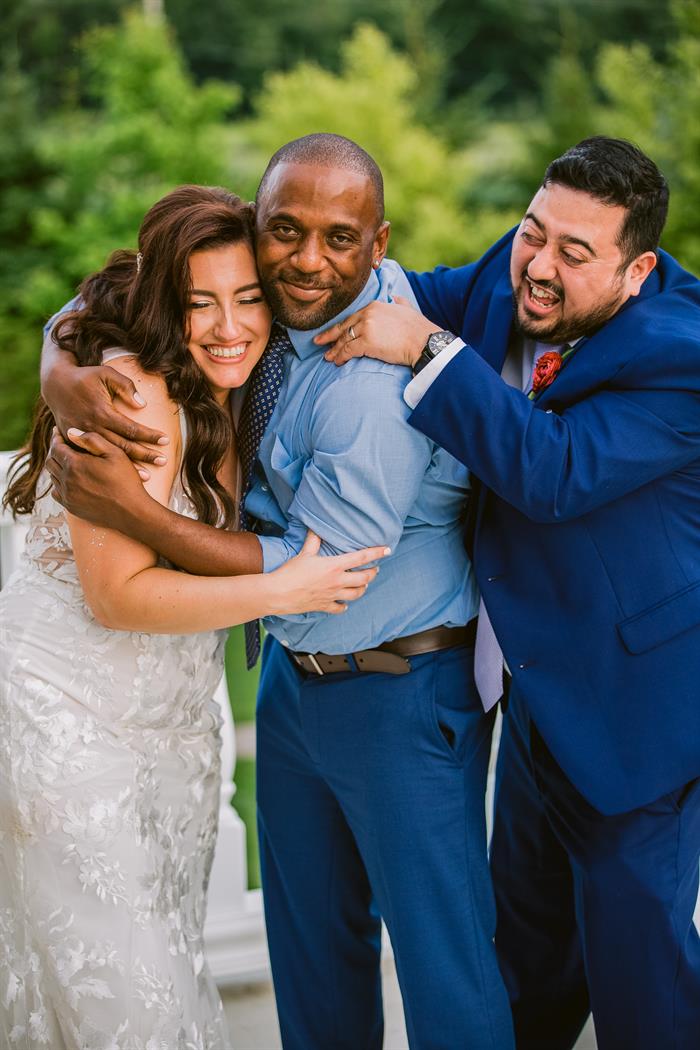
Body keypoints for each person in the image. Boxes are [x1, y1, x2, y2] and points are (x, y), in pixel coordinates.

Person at [41, 135, 515, 1050]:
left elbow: (313, 568)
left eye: (338, 238)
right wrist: (58, 368)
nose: (307, 259)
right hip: (295, 681)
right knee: (309, 960)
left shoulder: (372, 390)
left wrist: (131, 511)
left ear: (379, 246)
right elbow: (105, 296)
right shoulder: (259, 315)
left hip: (399, 693)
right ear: (256, 228)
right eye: (284, 231)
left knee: (442, 968)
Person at [317, 136, 700, 1050]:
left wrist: (426, 349)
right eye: (535, 231)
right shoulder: (517, 264)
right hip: (529, 687)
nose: (539, 264)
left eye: (575, 253)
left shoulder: (683, 356)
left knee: (640, 971)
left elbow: (553, 471)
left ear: (637, 268)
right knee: (526, 957)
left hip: (636, 707)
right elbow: (402, 289)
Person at [0, 183, 386, 1050]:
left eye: (249, 298)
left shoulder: (243, 377)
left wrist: (55, 353)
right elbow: (118, 595)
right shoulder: (130, 396)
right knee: (131, 1004)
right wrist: (285, 588)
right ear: (165, 307)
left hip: (168, 731)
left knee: (155, 967)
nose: (229, 326)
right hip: (67, 721)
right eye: (199, 302)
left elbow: (77, 311)